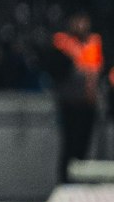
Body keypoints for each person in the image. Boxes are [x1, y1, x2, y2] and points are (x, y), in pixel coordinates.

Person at [45, 13, 106, 183]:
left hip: (88, 103)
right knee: (69, 144)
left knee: (84, 146)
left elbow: (97, 70)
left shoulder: (94, 42)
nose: (81, 24)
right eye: (77, 20)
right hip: (70, 104)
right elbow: (56, 70)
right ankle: (65, 182)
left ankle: (80, 182)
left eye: (84, 21)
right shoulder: (62, 42)